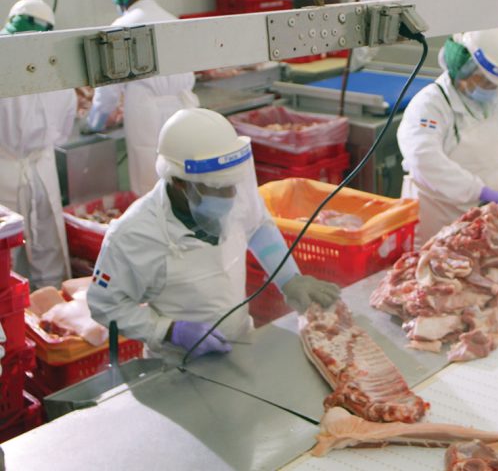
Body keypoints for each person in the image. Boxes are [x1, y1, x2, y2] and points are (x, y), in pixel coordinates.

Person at [87, 108, 340, 362]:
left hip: (241, 345)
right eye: (217, 188)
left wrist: (289, 279)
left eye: (232, 186)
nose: (230, 196)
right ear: (179, 182)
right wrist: (170, 330)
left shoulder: (233, 190)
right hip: (178, 364)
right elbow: (106, 304)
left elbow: (258, 228)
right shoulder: (134, 234)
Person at [398, 28, 498, 246]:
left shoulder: (495, 101)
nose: (493, 90)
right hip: (439, 224)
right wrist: (479, 191)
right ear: (463, 70)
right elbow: (424, 159)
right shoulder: (430, 105)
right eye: (486, 83)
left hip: (489, 220)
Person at [85, 0, 198, 196]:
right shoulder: (173, 21)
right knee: (184, 181)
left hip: (146, 115)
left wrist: (94, 122)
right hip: (182, 110)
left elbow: (108, 92)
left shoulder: (119, 28)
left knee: (153, 188)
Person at [0, 0, 76, 289]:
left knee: (8, 256)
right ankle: (52, 306)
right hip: (42, 168)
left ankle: (16, 313)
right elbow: (64, 130)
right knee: (48, 247)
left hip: (5, 170)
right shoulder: (56, 64)